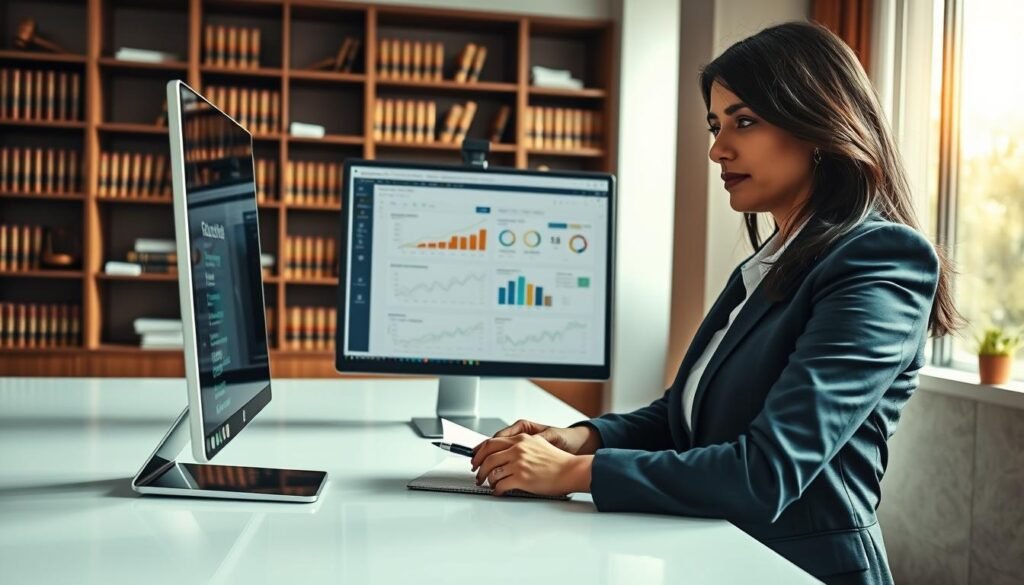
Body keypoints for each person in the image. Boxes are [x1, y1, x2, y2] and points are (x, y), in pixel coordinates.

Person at [468, 21, 964, 585]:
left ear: (819, 124)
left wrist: (575, 471)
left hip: (800, 569)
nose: (716, 149)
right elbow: (686, 416)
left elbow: (765, 472)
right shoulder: (777, 258)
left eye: (744, 122)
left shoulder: (881, 260)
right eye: (715, 124)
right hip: (716, 553)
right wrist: (583, 436)